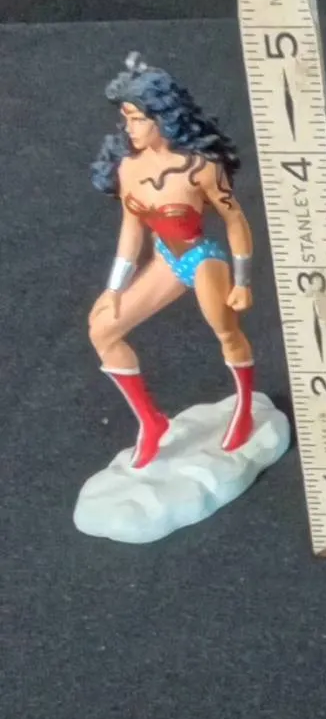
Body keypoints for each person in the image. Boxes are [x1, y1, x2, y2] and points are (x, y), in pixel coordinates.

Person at [89, 53, 257, 467]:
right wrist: (115, 287)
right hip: (165, 260)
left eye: (138, 119)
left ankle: (245, 405)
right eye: (126, 119)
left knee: (226, 330)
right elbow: (131, 230)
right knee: (102, 331)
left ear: (162, 117)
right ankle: (151, 421)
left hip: (201, 259)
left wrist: (242, 281)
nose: (130, 128)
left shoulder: (201, 169)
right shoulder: (128, 168)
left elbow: (235, 220)